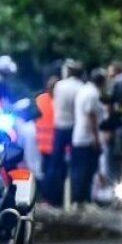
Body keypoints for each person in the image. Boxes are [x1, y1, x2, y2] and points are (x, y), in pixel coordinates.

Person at [46, 61, 84, 206]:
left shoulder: (59, 86)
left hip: (60, 126)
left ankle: (52, 197)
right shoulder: (80, 87)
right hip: (74, 126)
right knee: (76, 164)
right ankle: (76, 198)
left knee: (55, 164)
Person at [71, 69, 107, 205]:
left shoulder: (84, 89)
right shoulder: (93, 94)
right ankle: (81, 200)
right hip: (87, 138)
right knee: (85, 171)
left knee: (81, 170)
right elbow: (91, 116)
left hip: (80, 136)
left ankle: (80, 200)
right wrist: (95, 138)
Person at [36, 76, 58, 182]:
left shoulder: (39, 99)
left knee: (44, 173)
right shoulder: (60, 102)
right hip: (55, 146)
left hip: (40, 145)